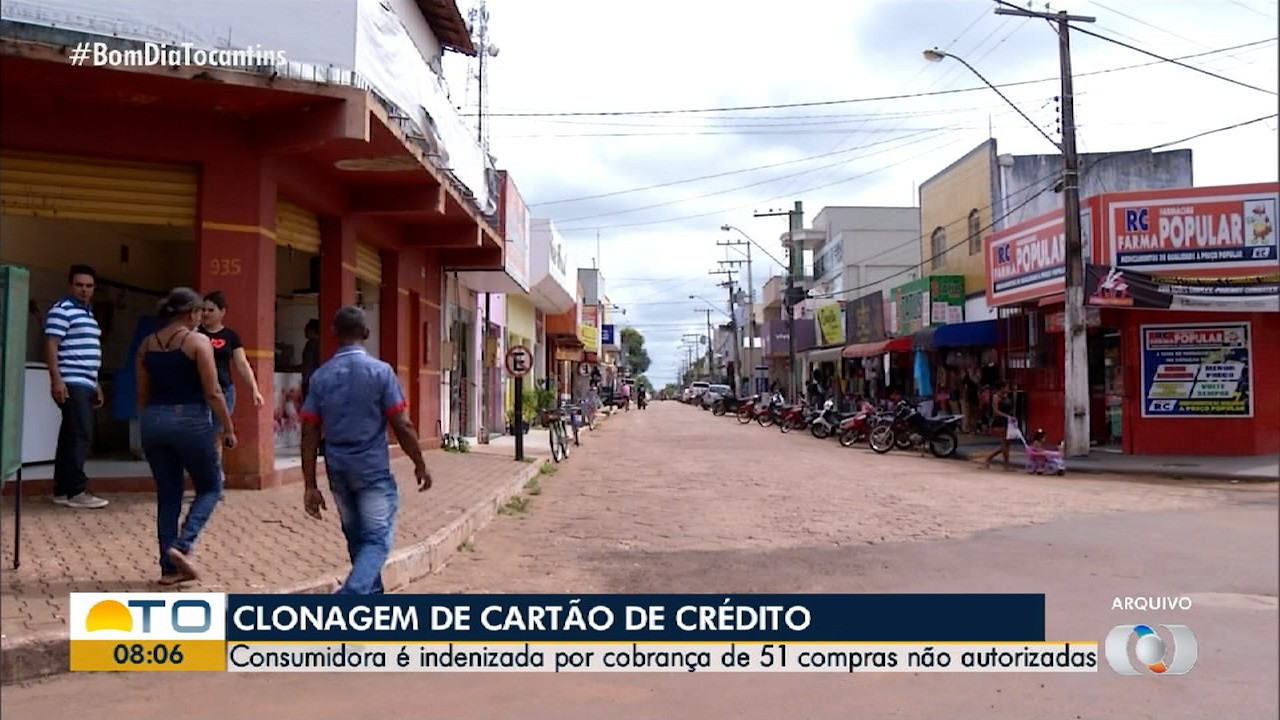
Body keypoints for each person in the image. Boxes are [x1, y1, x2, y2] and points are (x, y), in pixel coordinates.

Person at [299, 306, 432, 595]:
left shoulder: (321, 377)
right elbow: (402, 424)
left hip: (338, 471)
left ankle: (370, 600)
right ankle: (349, 598)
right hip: (372, 471)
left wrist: (310, 484)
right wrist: (419, 462)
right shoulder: (381, 372)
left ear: (333, 334)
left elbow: (309, 432)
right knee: (377, 541)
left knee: (357, 538)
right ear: (366, 333)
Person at [136, 287, 234, 584]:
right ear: (190, 313)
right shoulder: (197, 342)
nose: (202, 316)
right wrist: (228, 427)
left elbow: (141, 393)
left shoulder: (146, 344)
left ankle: (169, 569)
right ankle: (182, 545)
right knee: (211, 486)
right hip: (190, 420)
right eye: (199, 311)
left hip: (153, 420)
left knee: (168, 495)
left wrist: (149, 423)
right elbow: (214, 392)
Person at [44, 264, 109, 509]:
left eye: (89, 286)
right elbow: (51, 344)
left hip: (85, 381)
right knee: (80, 434)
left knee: (71, 435)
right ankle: (76, 490)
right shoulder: (62, 310)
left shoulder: (88, 313)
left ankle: (62, 489)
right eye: (79, 285)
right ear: (70, 285)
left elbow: (89, 353)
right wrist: (56, 379)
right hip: (71, 381)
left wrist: (96, 384)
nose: (84, 290)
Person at [199, 291, 265, 457]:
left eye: (210, 310)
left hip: (224, 391)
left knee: (217, 433)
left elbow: (242, 364)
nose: (206, 314)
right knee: (199, 432)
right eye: (203, 310)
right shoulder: (195, 334)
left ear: (222, 312)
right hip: (198, 391)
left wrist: (254, 390)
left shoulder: (231, 336)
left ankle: (215, 474)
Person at [983, 381, 1019, 471]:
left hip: (1008, 422)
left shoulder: (1006, 397)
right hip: (999, 422)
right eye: (1006, 387)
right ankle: (989, 459)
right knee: (1004, 444)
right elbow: (995, 411)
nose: (1008, 389)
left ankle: (1005, 464)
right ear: (1001, 388)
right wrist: (1007, 416)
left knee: (1007, 444)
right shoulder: (996, 397)